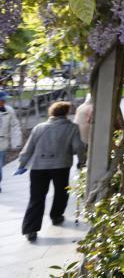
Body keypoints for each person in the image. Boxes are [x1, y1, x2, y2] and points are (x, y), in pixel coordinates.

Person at [16, 101, 85, 242]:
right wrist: (81, 161)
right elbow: (78, 146)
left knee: (36, 198)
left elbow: (28, 148)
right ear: (66, 113)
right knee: (61, 192)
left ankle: (31, 230)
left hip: (38, 167)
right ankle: (56, 216)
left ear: (51, 112)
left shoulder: (39, 127)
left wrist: (22, 164)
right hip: (61, 166)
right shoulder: (72, 128)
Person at [0, 91, 23, 192]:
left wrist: (16, 143)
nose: (4, 102)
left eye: (4, 100)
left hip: (2, 143)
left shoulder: (9, 110)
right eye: (2, 100)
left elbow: (15, 126)